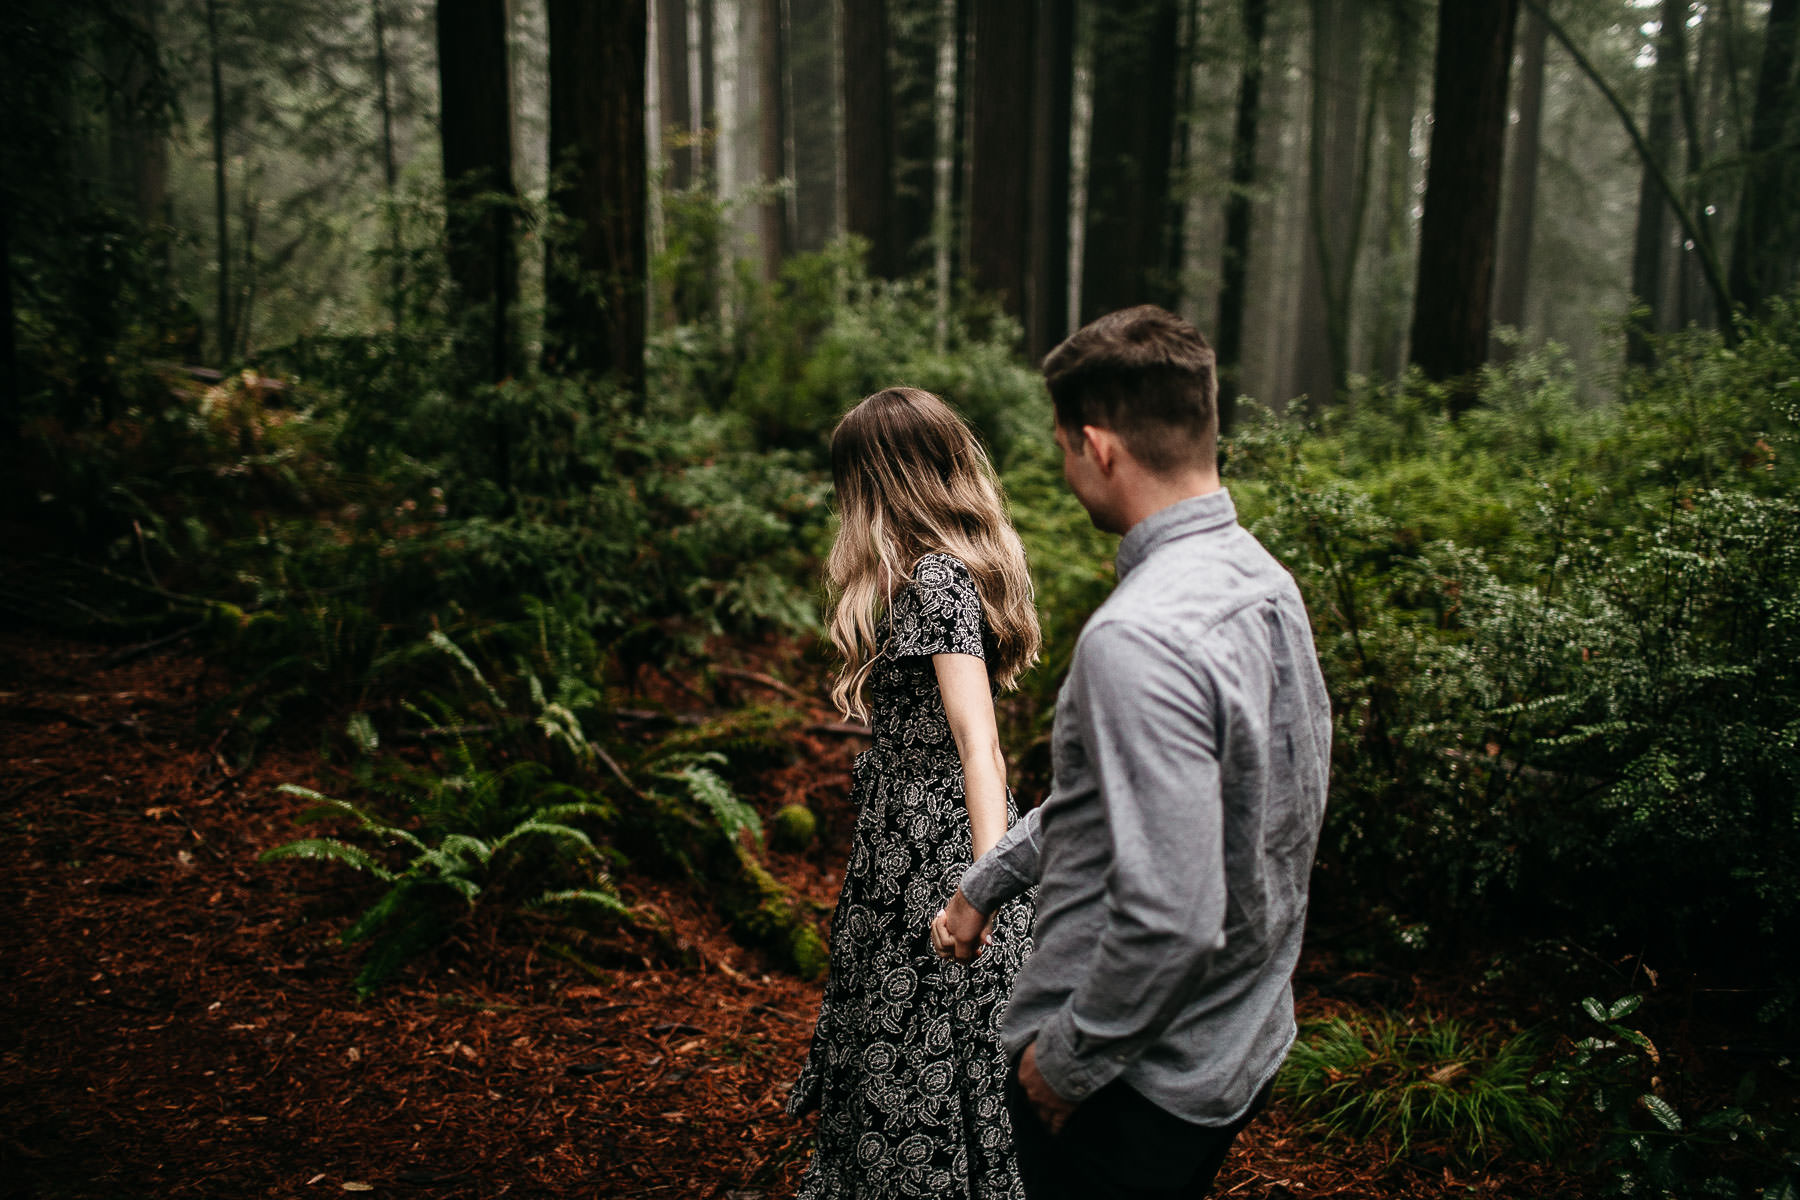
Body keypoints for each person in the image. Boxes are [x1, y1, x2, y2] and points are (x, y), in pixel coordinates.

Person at [932, 306, 1332, 1200]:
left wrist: (1063, 1065)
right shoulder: (1267, 584)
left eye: (1064, 449)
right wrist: (984, 883)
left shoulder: (1138, 639)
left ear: (1097, 446)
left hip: (1135, 1084)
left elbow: (1174, 918)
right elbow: (1138, 804)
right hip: (1240, 1040)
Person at [786, 386, 1043, 1199]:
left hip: (935, 855)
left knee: (933, 1050)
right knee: (903, 1050)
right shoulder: (931, 579)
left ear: (878, 481)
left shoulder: (935, 581)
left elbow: (980, 743)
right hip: (901, 849)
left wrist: (984, 885)